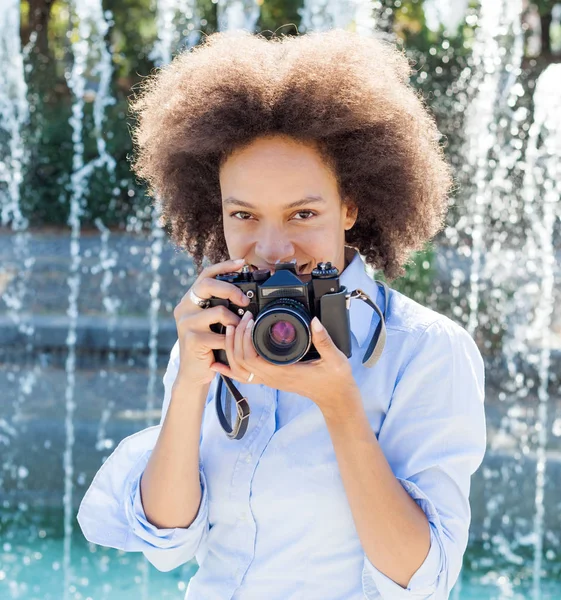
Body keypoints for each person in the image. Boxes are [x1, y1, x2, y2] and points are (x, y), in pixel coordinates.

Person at [77, 28, 486, 600]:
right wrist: (193, 384)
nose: (272, 248)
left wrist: (341, 407)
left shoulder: (423, 349)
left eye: (301, 214)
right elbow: (167, 542)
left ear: (349, 206)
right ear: (213, 209)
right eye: (243, 215)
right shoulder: (211, 332)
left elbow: (423, 579)